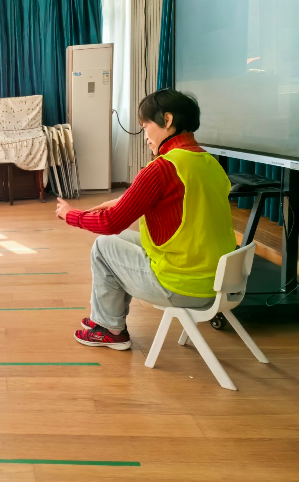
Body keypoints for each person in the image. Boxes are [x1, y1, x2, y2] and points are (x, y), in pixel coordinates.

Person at [56, 89, 236, 350]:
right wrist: (119, 201)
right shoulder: (209, 162)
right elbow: (182, 196)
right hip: (218, 281)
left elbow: (110, 223)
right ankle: (104, 317)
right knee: (118, 240)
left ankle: (111, 329)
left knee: (104, 245)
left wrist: (70, 214)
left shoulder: (162, 168)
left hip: (183, 286)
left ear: (167, 120)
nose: (145, 136)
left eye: (145, 126)